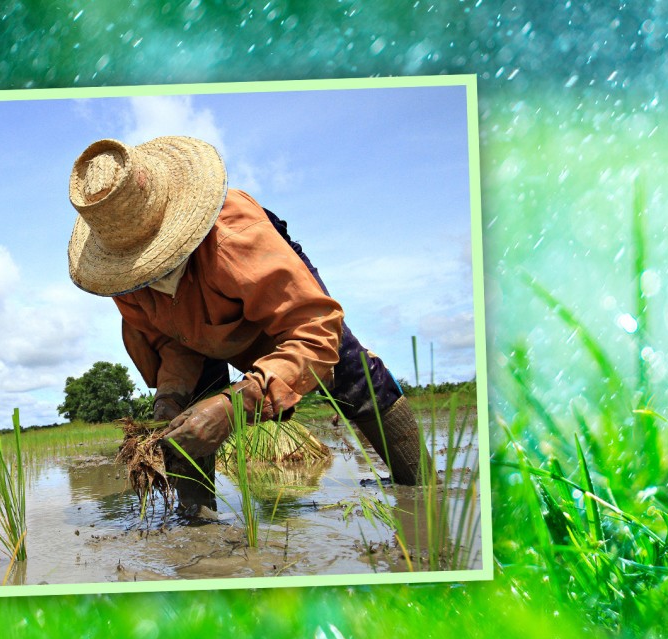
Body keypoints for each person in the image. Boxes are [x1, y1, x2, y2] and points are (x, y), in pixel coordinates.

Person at [66, 136, 427, 487]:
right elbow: (173, 342)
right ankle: (196, 522)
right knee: (190, 409)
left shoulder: (234, 235)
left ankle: (422, 488)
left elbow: (315, 333)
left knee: (350, 372)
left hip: (267, 304)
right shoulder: (125, 282)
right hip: (205, 331)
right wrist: (170, 397)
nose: (150, 276)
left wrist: (234, 406)